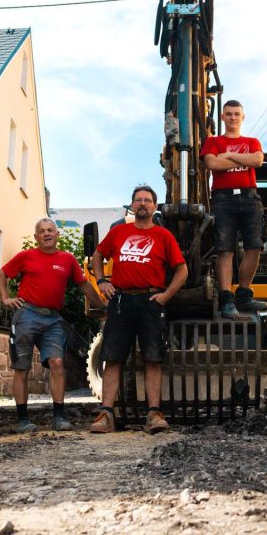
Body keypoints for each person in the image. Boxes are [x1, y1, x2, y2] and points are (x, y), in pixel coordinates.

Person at [89, 185, 188, 435]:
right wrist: (101, 281)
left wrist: (166, 295)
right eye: (138, 200)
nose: (142, 204)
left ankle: (154, 414)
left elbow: (182, 270)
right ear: (132, 205)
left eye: (147, 200)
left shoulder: (164, 236)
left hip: (150, 301)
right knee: (113, 357)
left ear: (155, 206)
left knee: (153, 358)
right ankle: (106, 414)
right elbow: (97, 256)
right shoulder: (118, 232)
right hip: (121, 300)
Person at [0, 218, 106, 433]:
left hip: (53, 319)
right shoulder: (26, 256)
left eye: (50, 230)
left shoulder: (67, 260)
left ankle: (59, 417)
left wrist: (103, 308)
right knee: (22, 367)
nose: (46, 234)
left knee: (57, 362)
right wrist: (5, 298)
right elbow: (2, 274)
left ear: (57, 235)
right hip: (26, 315)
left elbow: (84, 285)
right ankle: (23, 420)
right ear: (36, 237)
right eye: (42, 231)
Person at [199, 99, 267, 318]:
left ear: (243, 117)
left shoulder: (252, 141)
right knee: (225, 249)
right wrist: (243, 160)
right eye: (228, 114)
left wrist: (228, 156)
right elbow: (212, 164)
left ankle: (244, 295)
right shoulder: (213, 141)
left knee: (254, 246)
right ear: (222, 117)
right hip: (223, 199)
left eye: (237, 114)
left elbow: (257, 160)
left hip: (250, 197)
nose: (233, 117)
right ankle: (227, 299)